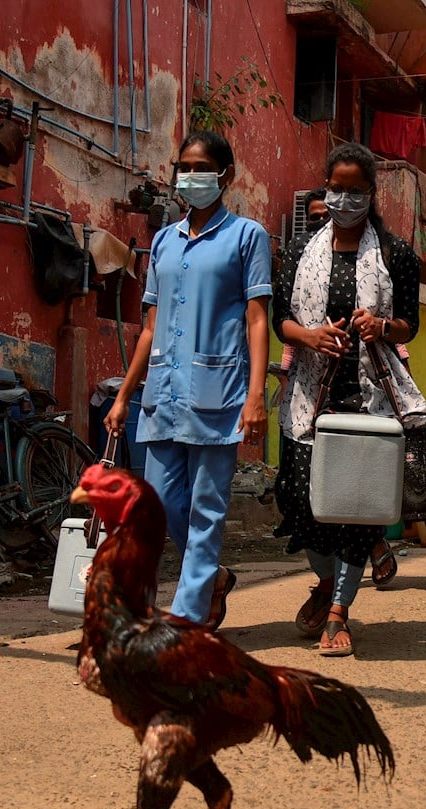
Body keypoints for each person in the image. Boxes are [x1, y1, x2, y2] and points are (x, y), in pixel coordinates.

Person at [105, 130, 271, 628]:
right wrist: (124, 395)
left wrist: (256, 396)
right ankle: (213, 577)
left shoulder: (247, 237)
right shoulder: (162, 242)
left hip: (219, 393)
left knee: (206, 509)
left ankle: (187, 618)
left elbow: (257, 319)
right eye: (184, 167)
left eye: (201, 167)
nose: (191, 177)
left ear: (226, 175)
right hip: (162, 394)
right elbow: (149, 329)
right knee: (157, 507)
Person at [273, 142, 426, 656]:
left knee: (356, 509)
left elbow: (412, 322)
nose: (343, 199)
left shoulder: (396, 253)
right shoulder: (298, 251)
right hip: (307, 399)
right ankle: (326, 579)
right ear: (325, 187)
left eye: (354, 191)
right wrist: (308, 336)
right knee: (299, 502)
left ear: (371, 193)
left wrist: (380, 325)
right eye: (336, 189)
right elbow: (279, 318)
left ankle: (339, 610)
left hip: (367, 399)